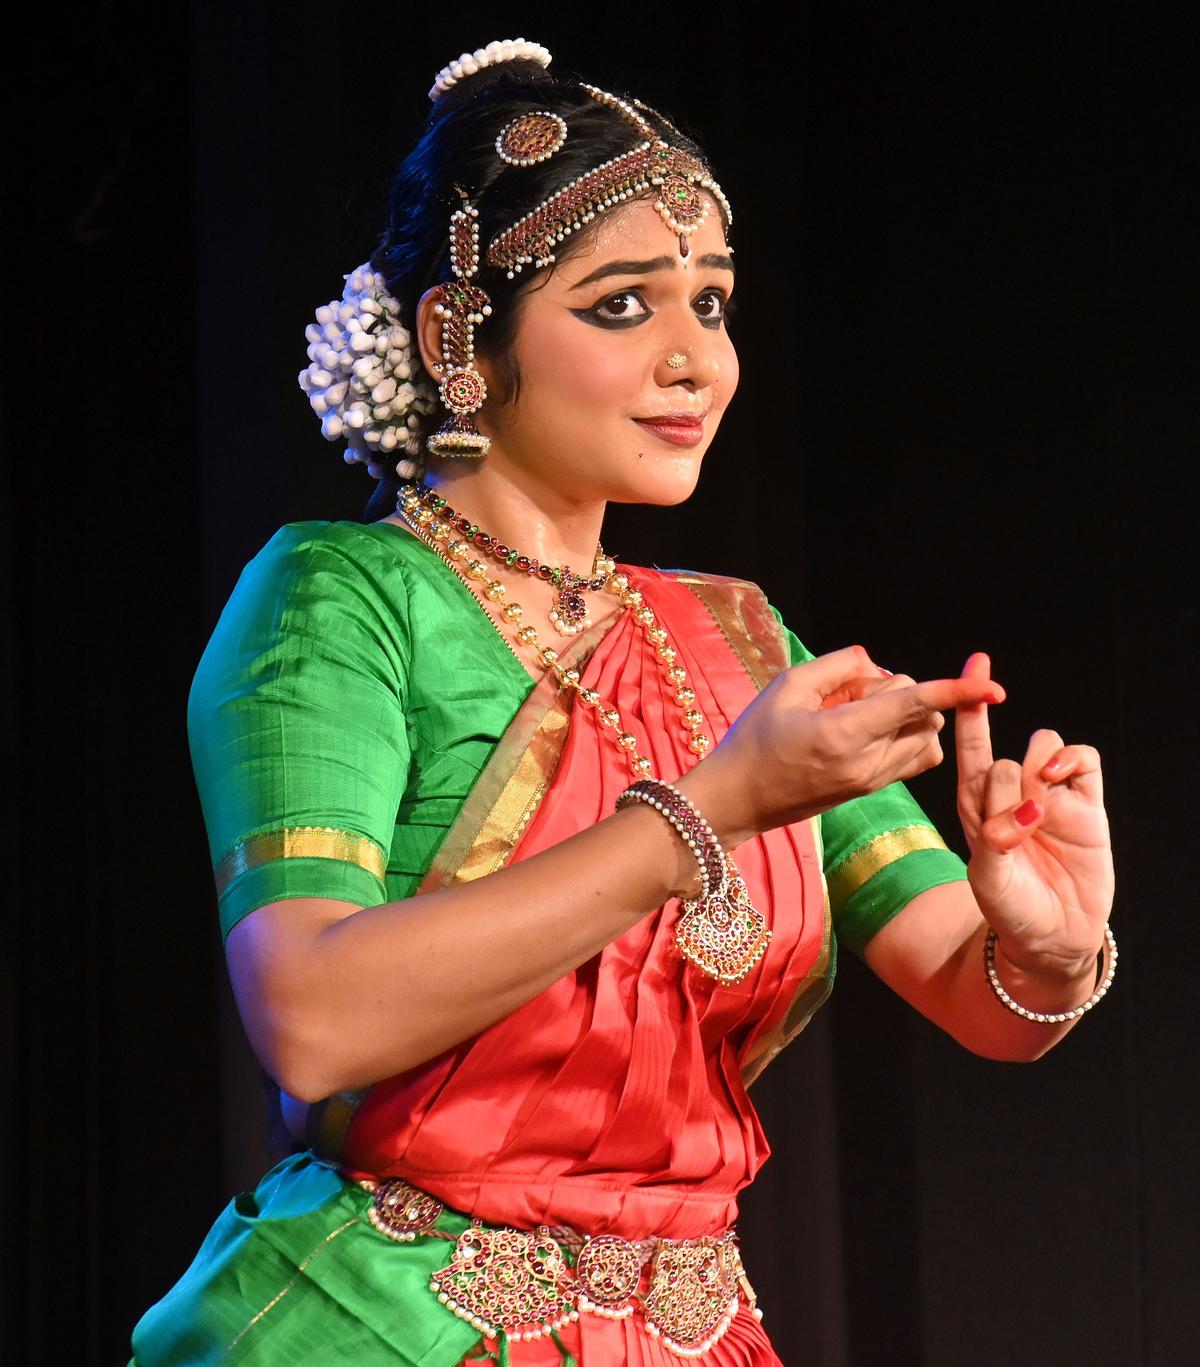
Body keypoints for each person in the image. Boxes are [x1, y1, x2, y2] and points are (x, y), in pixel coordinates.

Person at [128, 37, 1117, 1367]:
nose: (693, 359)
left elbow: (977, 994)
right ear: (457, 338)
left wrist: (1050, 946)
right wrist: (710, 808)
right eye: (621, 306)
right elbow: (313, 1018)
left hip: (688, 1329)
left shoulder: (737, 639)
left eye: (711, 302)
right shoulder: (339, 598)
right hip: (387, 1323)